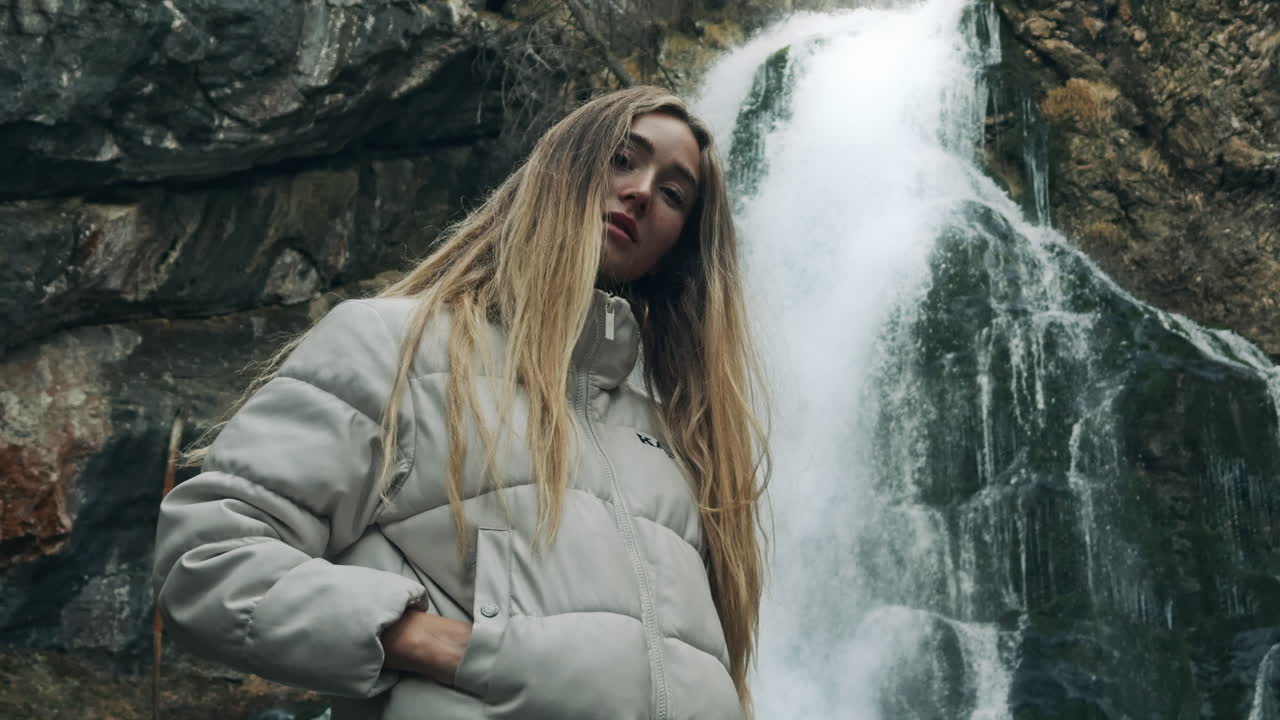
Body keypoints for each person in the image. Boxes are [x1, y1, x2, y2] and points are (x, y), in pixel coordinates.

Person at [153, 85, 771, 720]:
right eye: (621, 157)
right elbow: (207, 557)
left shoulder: (674, 442)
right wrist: (446, 647)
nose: (642, 190)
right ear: (561, 165)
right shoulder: (399, 346)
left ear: (676, 249)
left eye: (674, 194)